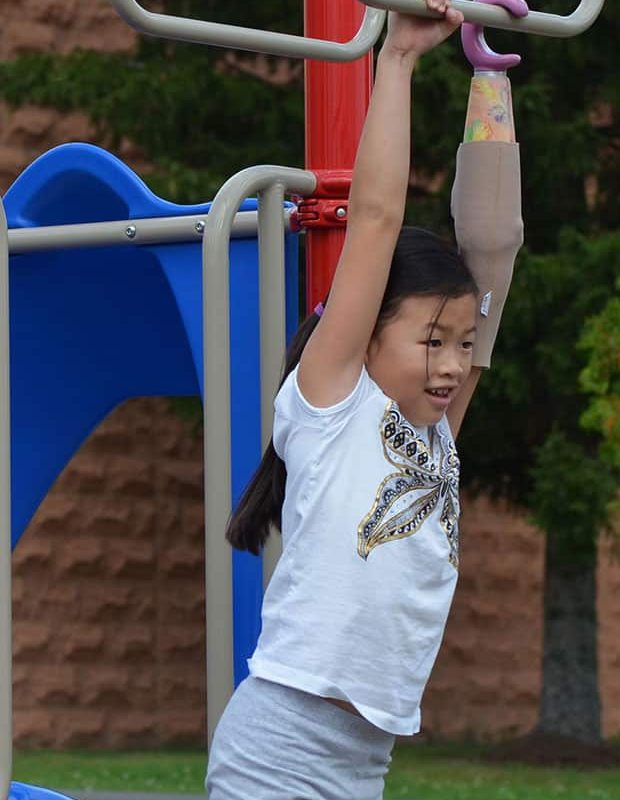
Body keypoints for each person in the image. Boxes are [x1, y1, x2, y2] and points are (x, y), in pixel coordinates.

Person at [206, 1, 523, 797]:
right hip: (278, 750)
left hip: (362, 763)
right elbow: (377, 220)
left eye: (462, 343)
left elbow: (494, 257)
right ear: (368, 331)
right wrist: (401, 59)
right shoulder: (334, 406)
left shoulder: (435, 436)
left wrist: (491, 81)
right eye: (431, 341)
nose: (453, 365)